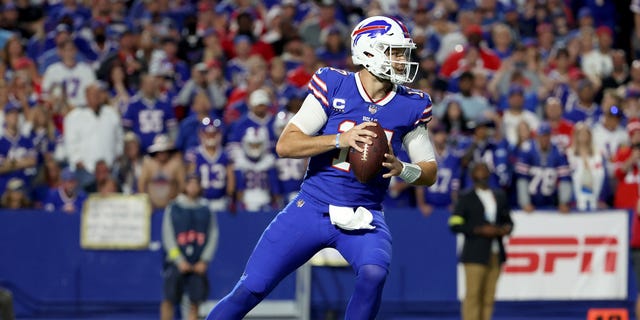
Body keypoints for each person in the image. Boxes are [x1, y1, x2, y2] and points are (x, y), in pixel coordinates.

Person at [205, 16, 437, 319]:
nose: (402, 59)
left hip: (364, 213)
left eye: (402, 52)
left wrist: (403, 168)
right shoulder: (335, 83)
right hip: (312, 207)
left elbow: (429, 170)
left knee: (373, 274)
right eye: (393, 51)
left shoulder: (412, 104)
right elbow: (286, 145)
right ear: (368, 51)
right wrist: (341, 138)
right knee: (251, 288)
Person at [449, 162, 513, 320]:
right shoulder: (466, 197)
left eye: (485, 173)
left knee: (489, 297)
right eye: (478, 173)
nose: (482, 176)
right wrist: (478, 230)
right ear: (472, 176)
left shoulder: (499, 196)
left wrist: (503, 229)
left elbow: (508, 221)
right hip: (474, 254)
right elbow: (455, 224)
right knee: (473, 295)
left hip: (496, 253)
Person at [161, 173, 219, 320]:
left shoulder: (206, 208)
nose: (193, 187)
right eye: (190, 183)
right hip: (176, 264)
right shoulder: (173, 207)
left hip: (197, 262)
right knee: (168, 300)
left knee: (195, 302)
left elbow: (213, 235)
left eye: (196, 183)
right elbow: (168, 237)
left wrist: (204, 260)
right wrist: (178, 260)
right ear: (185, 186)